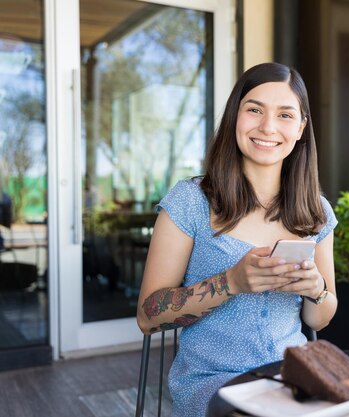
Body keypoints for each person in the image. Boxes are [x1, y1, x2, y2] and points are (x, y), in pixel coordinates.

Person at [136, 62, 338, 417]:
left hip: (290, 377)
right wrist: (231, 282)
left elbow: (320, 318)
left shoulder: (315, 211)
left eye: (285, 115)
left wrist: (316, 288)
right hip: (212, 382)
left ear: (302, 128)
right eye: (255, 110)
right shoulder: (191, 201)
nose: (268, 127)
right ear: (235, 117)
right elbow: (148, 317)